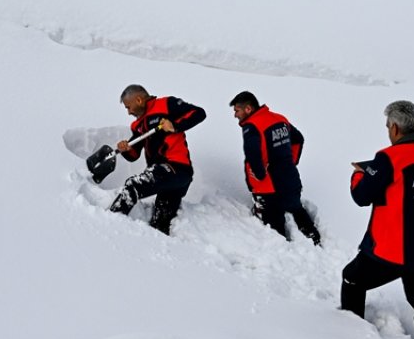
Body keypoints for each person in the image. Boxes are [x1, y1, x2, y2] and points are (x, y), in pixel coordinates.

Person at [341, 100, 414, 339]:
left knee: (352, 278)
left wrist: (360, 174)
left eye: (388, 126)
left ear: (395, 129)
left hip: (393, 253)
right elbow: (411, 188)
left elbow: (361, 195)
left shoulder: (388, 158)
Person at [108, 84, 206, 235]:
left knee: (133, 185)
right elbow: (134, 155)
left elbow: (199, 113)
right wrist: (126, 149)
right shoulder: (138, 125)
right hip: (165, 178)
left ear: (139, 100)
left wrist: (174, 125)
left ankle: (108, 224)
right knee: (159, 224)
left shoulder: (166, 105)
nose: (128, 112)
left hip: (177, 168)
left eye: (128, 107)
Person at [229, 91, 321, 245]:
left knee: (274, 226)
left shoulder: (252, 127)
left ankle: (284, 253)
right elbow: (298, 139)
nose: (235, 115)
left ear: (248, 109)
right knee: (297, 209)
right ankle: (315, 240)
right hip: (290, 178)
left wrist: (259, 176)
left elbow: (253, 155)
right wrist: (292, 161)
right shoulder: (279, 119)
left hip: (270, 186)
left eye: (237, 111)